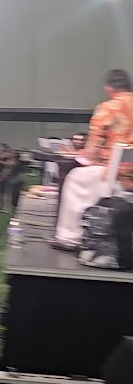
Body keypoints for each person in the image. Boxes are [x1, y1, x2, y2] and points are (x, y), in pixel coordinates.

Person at [54, 69, 133, 249]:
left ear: (109, 88)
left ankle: (70, 237)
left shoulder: (108, 108)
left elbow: (92, 151)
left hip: (118, 176)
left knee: (74, 178)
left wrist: (80, 154)